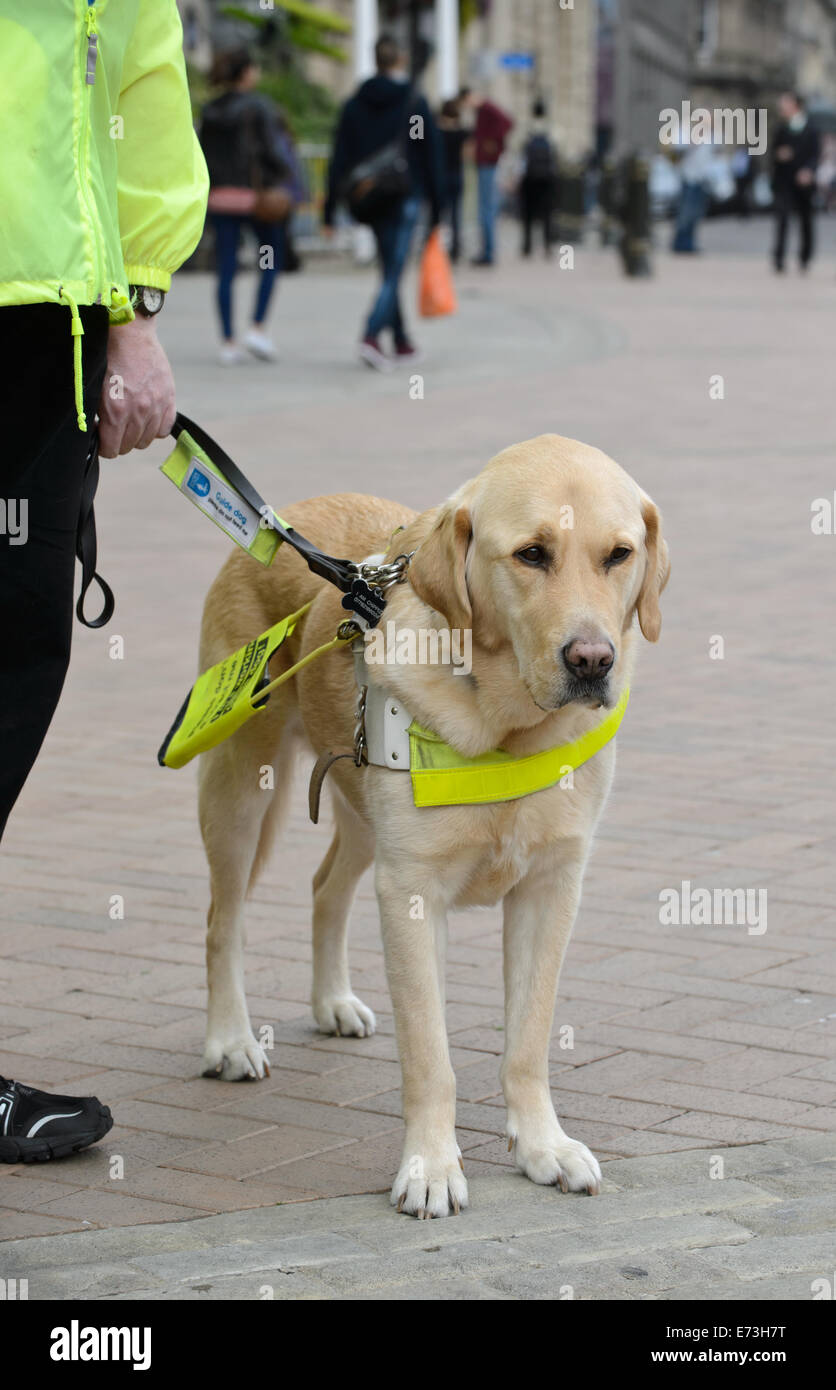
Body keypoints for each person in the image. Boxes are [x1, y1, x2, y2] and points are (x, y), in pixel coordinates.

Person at [0, 1, 207, 1163]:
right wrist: (132, 314)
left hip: (40, 318)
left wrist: (129, 310)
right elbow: (138, 104)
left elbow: (135, 101)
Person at [323, 34, 443, 371]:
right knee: (393, 271)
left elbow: (338, 158)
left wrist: (329, 208)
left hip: (369, 199)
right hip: (406, 196)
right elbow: (431, 156)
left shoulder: (354, 104)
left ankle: (402, 342)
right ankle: (371, 336)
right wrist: (438, 208)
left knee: (390, 267)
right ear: (400, 59)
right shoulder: (413, 102)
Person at [200, 47, 293, 363]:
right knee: (269, 259)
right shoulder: (257, 107)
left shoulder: (209, 110)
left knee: (225, 268)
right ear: (247, 72)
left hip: (220, 198)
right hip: (255, 198)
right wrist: (284, 176)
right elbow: (271, 151)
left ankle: (228, 342)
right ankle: (256, 327)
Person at [771, 91, 820, 274]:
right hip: (784, 180)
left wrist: (808, 170)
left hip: (804, 182)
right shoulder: (780, 128)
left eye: (785, 104)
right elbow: (773, 153)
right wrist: (779, 155)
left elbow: (815, 155)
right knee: (782, 219)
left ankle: (804, 257)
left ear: (795, 106)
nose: (781, 108)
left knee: (806, 221)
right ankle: (779, 258)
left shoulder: (811, 129)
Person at [470, 92, 513, 265]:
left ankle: (488, 251)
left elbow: (507, 122)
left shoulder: (488, 109)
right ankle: (486, 250)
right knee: (486, 207)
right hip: (484, 162)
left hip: (487, 162)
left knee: (486, 208)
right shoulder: (483, 112)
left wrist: (493, 142)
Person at [519, 100, 558, 258]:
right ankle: (547, 245)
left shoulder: (528, 129)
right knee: (547, 214)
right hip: (547, 178)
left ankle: (527, 246)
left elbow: (522, 156)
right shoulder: (551, 129)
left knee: (527, 213)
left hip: (530, 178)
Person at [438, 91, 471, 263]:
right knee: (456, 214)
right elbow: (467, 154)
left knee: (438, 213)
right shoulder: (462, 133)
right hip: (457, 174)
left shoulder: (436, 132)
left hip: (441, 176)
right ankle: (456, 249)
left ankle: (436, 247)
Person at [671, 142, 713, 254]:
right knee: (685, 214)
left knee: (696, 214)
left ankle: (690, 242)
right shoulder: (685, 129)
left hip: (701, 179)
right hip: (689, 178)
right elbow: (675, 148)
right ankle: (679, 243)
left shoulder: (709, 134)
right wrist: (691, 143)